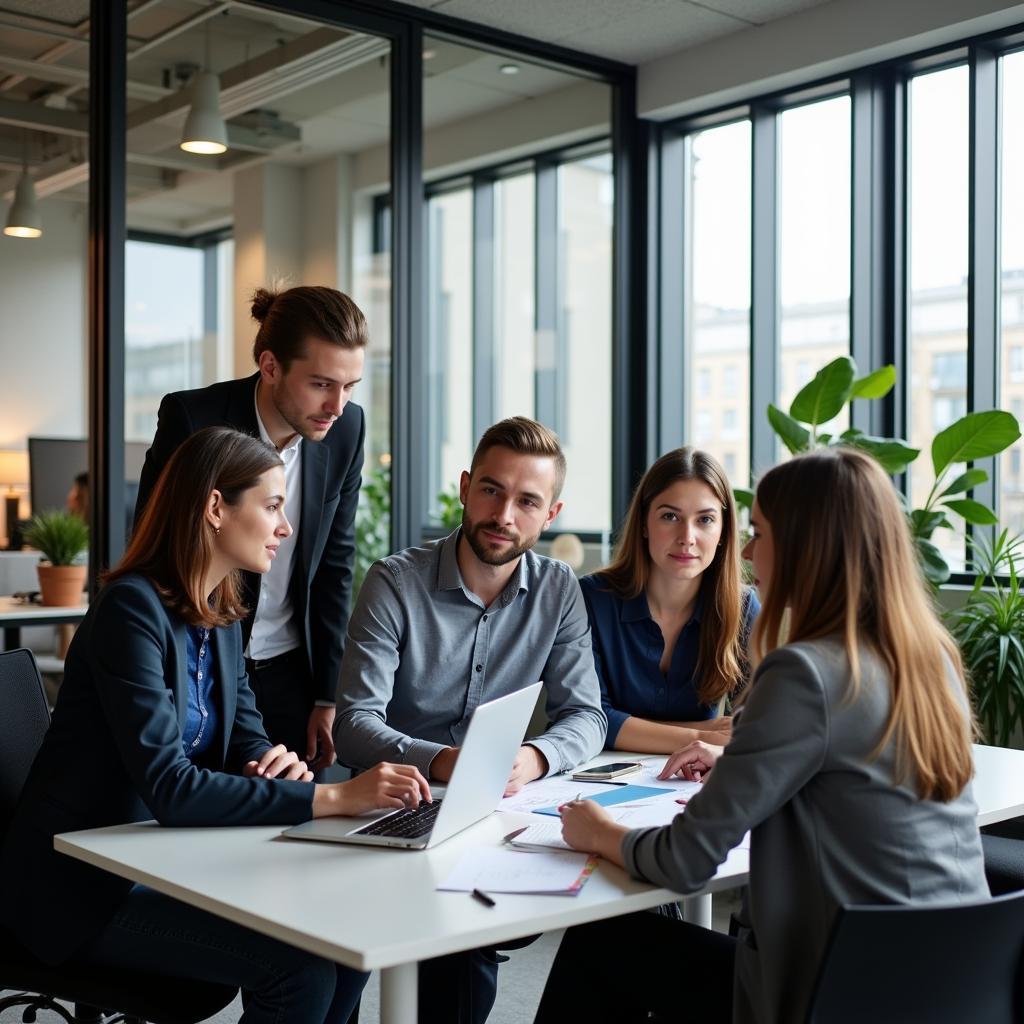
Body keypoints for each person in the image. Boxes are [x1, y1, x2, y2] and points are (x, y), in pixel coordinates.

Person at [535, 446, 989, 1024]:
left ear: (807, 546)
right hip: (950, 979)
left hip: (838, 990)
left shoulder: (805, 672)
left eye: (759, 532)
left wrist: (600, 832)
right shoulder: (930, 657)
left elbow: (685, 862)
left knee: (604, 943)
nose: (746, 551)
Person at [0, 427, 431, 1023]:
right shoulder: (131, 610)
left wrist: (270, 761)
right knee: (299, 970)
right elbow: (172, 788)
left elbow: (244, 738)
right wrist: (330, 795)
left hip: (161, 856)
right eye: (273, 506)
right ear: (214, 508)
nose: (285, 527)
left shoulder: (222, 612)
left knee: (345, 949)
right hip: (79, 887)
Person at [334, 415, 607, 1024]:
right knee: (329, 987)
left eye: (526, 500)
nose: (503, 514)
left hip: (488, 814)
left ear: (551, 513)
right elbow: (353, 725)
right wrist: (444, 760)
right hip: (387, 809)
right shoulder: (395, 583)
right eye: (491, 489)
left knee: (471, 950)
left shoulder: (559, 589)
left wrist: (534, 758)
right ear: (464, 487)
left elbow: (586, 715)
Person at [135, 285, 367, 773]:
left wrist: (329, 693)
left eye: (350, 387)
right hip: (201, 662)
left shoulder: (347, 430)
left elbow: (334, 563)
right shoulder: (193, 420)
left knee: (295, 823)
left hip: (290, 671)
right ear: (270, 366)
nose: (337, 406)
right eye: (322, 384)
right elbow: (158, 550)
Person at [582, 447, 758, 753]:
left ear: (723, 532)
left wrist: (702, 736)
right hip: (595, 777)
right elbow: (592, 720)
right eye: (670, 516)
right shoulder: (592, 599)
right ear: (645, 524)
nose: (687, 537)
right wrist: (701, 736)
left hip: (691, 780)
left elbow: (752, 726)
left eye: (704, 520)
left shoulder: (742, 608)